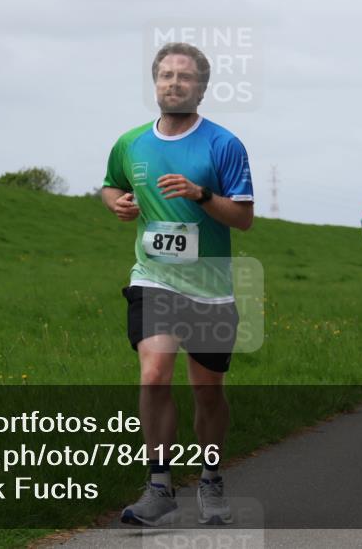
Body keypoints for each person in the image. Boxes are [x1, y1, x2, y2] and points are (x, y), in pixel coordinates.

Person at [102, 42, 254, 526]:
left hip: (210, 287)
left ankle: (210, 479)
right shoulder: (130, 143)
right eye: (165, 75)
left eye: (184, 77)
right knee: (154, 372)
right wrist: (116, 203)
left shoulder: (223, 145)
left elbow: (244, 218)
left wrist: (202, 194)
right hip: (154, 278)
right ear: (155, 83)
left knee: (207, 391)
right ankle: (159, 485)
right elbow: (110, 183)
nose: (173, 83)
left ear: (202, 88)